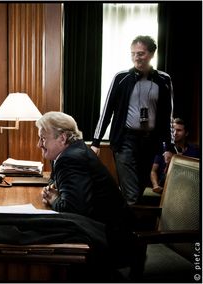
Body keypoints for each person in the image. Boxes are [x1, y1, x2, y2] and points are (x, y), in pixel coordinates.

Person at [37, 111, 135, 268]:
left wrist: (54, 199)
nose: (39, 144)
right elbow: (55, 180)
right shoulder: (71, 152)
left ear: (62, 138)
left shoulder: (70, 158)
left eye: (43, 139)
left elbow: (73, 209)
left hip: (110, 242)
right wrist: (53, 189)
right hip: (108, 230)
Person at [91, 35, 174, 205]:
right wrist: (96, 142)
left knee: (140, 188)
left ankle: (124, 224)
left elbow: (168, 116)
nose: (136, 57)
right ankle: (130, 231)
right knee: (131, 194)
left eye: (141, 53)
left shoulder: (164, 80)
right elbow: (106, 111)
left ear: (151, 54)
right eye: (133, 54)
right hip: (125, 140)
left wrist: (169, 146)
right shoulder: (121, 78)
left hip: (151, 142)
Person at [150, 118, 200, 193]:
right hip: (164, 189)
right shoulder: (164, 148)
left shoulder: (195, 151)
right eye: (173, 130)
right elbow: (153, 171)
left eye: (179, 130)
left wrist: (175, 158)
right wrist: (155, 185)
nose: (175, 133)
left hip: (185, 189)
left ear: (186, 133)